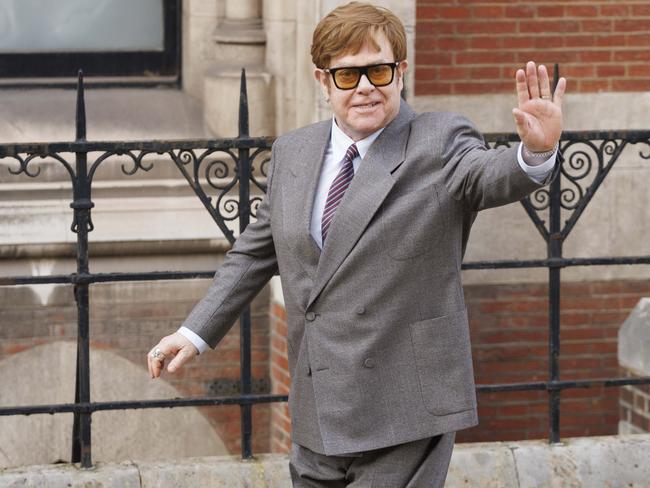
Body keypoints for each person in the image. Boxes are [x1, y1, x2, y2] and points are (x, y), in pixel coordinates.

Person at [147, 2, 566, 486]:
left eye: (379, 70)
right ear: (323, 82)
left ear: (401, 72)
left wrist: (534, 153)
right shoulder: (294, 151)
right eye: (348, 75)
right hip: (319, 403)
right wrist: (194, 333)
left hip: (404, 405)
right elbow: (255, 252)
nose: (366, 86)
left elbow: (489, 176)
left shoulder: (440, 140)